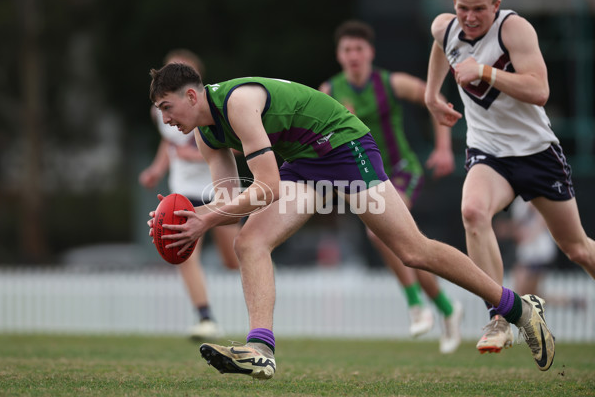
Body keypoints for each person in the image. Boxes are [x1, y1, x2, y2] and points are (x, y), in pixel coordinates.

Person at [147, 63, 555, 379]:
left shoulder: (236, 104)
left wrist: (203, 218)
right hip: (305, 160)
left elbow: (267, 187)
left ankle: (516, 307)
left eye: (167, 107)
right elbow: (229, 205)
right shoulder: (206, 134)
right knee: (249, 242)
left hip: (342, 145)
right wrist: (189, 218)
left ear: (190, 94)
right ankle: (261, 350)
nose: (165, 118)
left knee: (412, 250)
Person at [424, 0, 595, 355]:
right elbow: (442, 45)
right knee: (472, 211)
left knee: (577, 248)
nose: (469, 18)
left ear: (496, 4)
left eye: (478, 9)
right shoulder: (445, 26)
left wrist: (484, 71)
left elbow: (540, 90)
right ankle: (500, 316)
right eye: (462, 8)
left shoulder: (513, 29)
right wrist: (431, 94)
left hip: (536, 154)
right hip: (489, 153)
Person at [319, 20, 462, 354]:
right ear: (339, 55)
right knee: (410, 250)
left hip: (401, 170)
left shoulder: (390, 83)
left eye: (359, 49)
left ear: (370, 52)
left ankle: (415, 304)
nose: (353, 55)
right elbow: (317, 137)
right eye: (347, 50)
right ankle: (446, 308)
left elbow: (436, 97)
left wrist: (443, 148)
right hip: (364, 177)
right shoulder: (329, 92)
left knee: (379, 231)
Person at [139, 49, 240, 340]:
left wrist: (194, 156)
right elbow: (169, 143)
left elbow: (234, 147)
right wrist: (157, 169)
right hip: (182, 191)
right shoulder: (161, 110)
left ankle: (265, 287)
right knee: (184, 253)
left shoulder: (213, 108)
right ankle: (205, 317)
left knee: (234, 257)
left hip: (217, 189)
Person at [494, 198, 558, 296]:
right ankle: (569, 302)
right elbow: (521, 227)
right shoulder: (518, 201)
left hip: (537, 251)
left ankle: (567, 301)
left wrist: (530, 235)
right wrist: (509, 229)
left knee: (524, 290)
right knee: (530, 293)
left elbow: (542, 219)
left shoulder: (532, 197)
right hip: (528, 251)